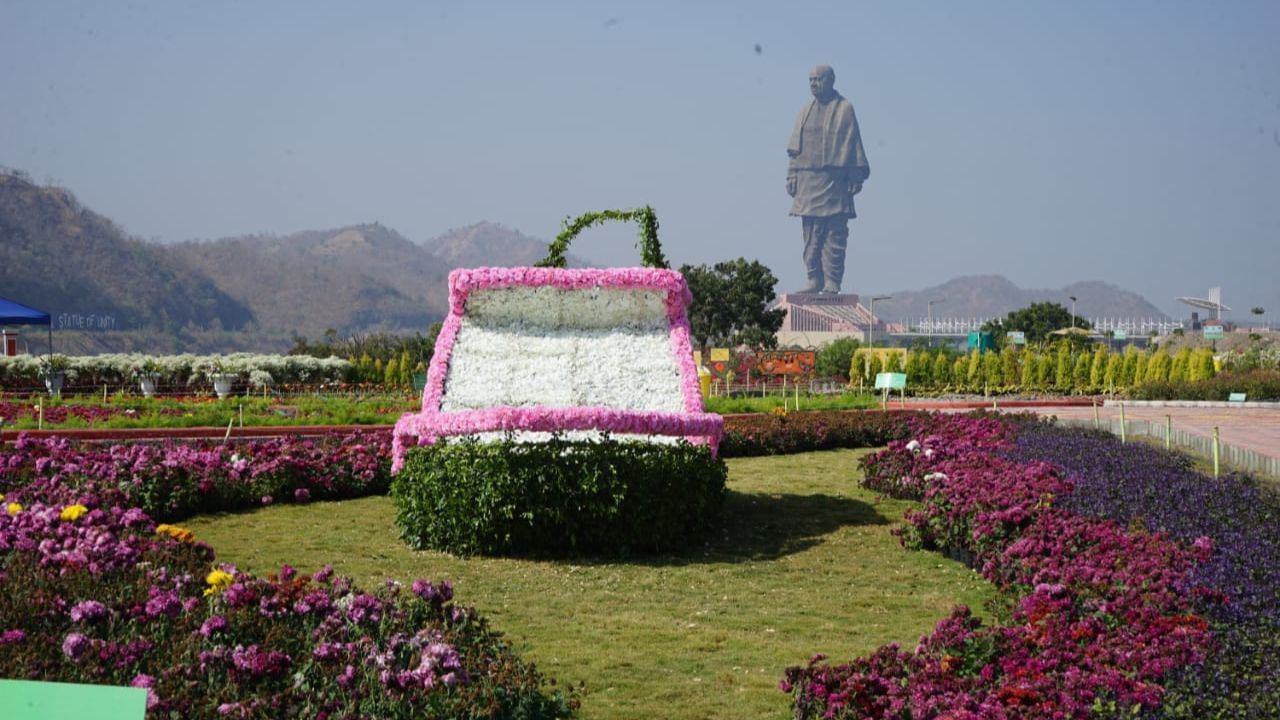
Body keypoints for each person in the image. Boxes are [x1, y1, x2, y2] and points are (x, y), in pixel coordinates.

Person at [786, 64, 870, 294]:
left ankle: (832, 280)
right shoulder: (805, 111)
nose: (814, 84)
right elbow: (794, 149)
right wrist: (791, 174)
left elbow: (852, 143)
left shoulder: (844, 108)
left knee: (834, 233)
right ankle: (813, 278)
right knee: (811, 233)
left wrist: (854, 174)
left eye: (818, 79)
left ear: (831, 80)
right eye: (811, 80)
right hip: (807, 181)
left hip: (835, 181)